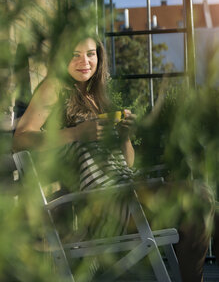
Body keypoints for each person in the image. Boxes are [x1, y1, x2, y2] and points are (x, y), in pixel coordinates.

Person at [13, 36, 215, 282]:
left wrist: (124, 136)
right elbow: (20, 139)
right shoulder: (54, 88)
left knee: (204, 205)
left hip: (127, 191)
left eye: (90, 54)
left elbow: (126, 163)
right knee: (199, 200)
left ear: (99, 57)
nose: (84, 62)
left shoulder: (95, 98)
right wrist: (76, 133)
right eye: (74, 54)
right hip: (103, 205)